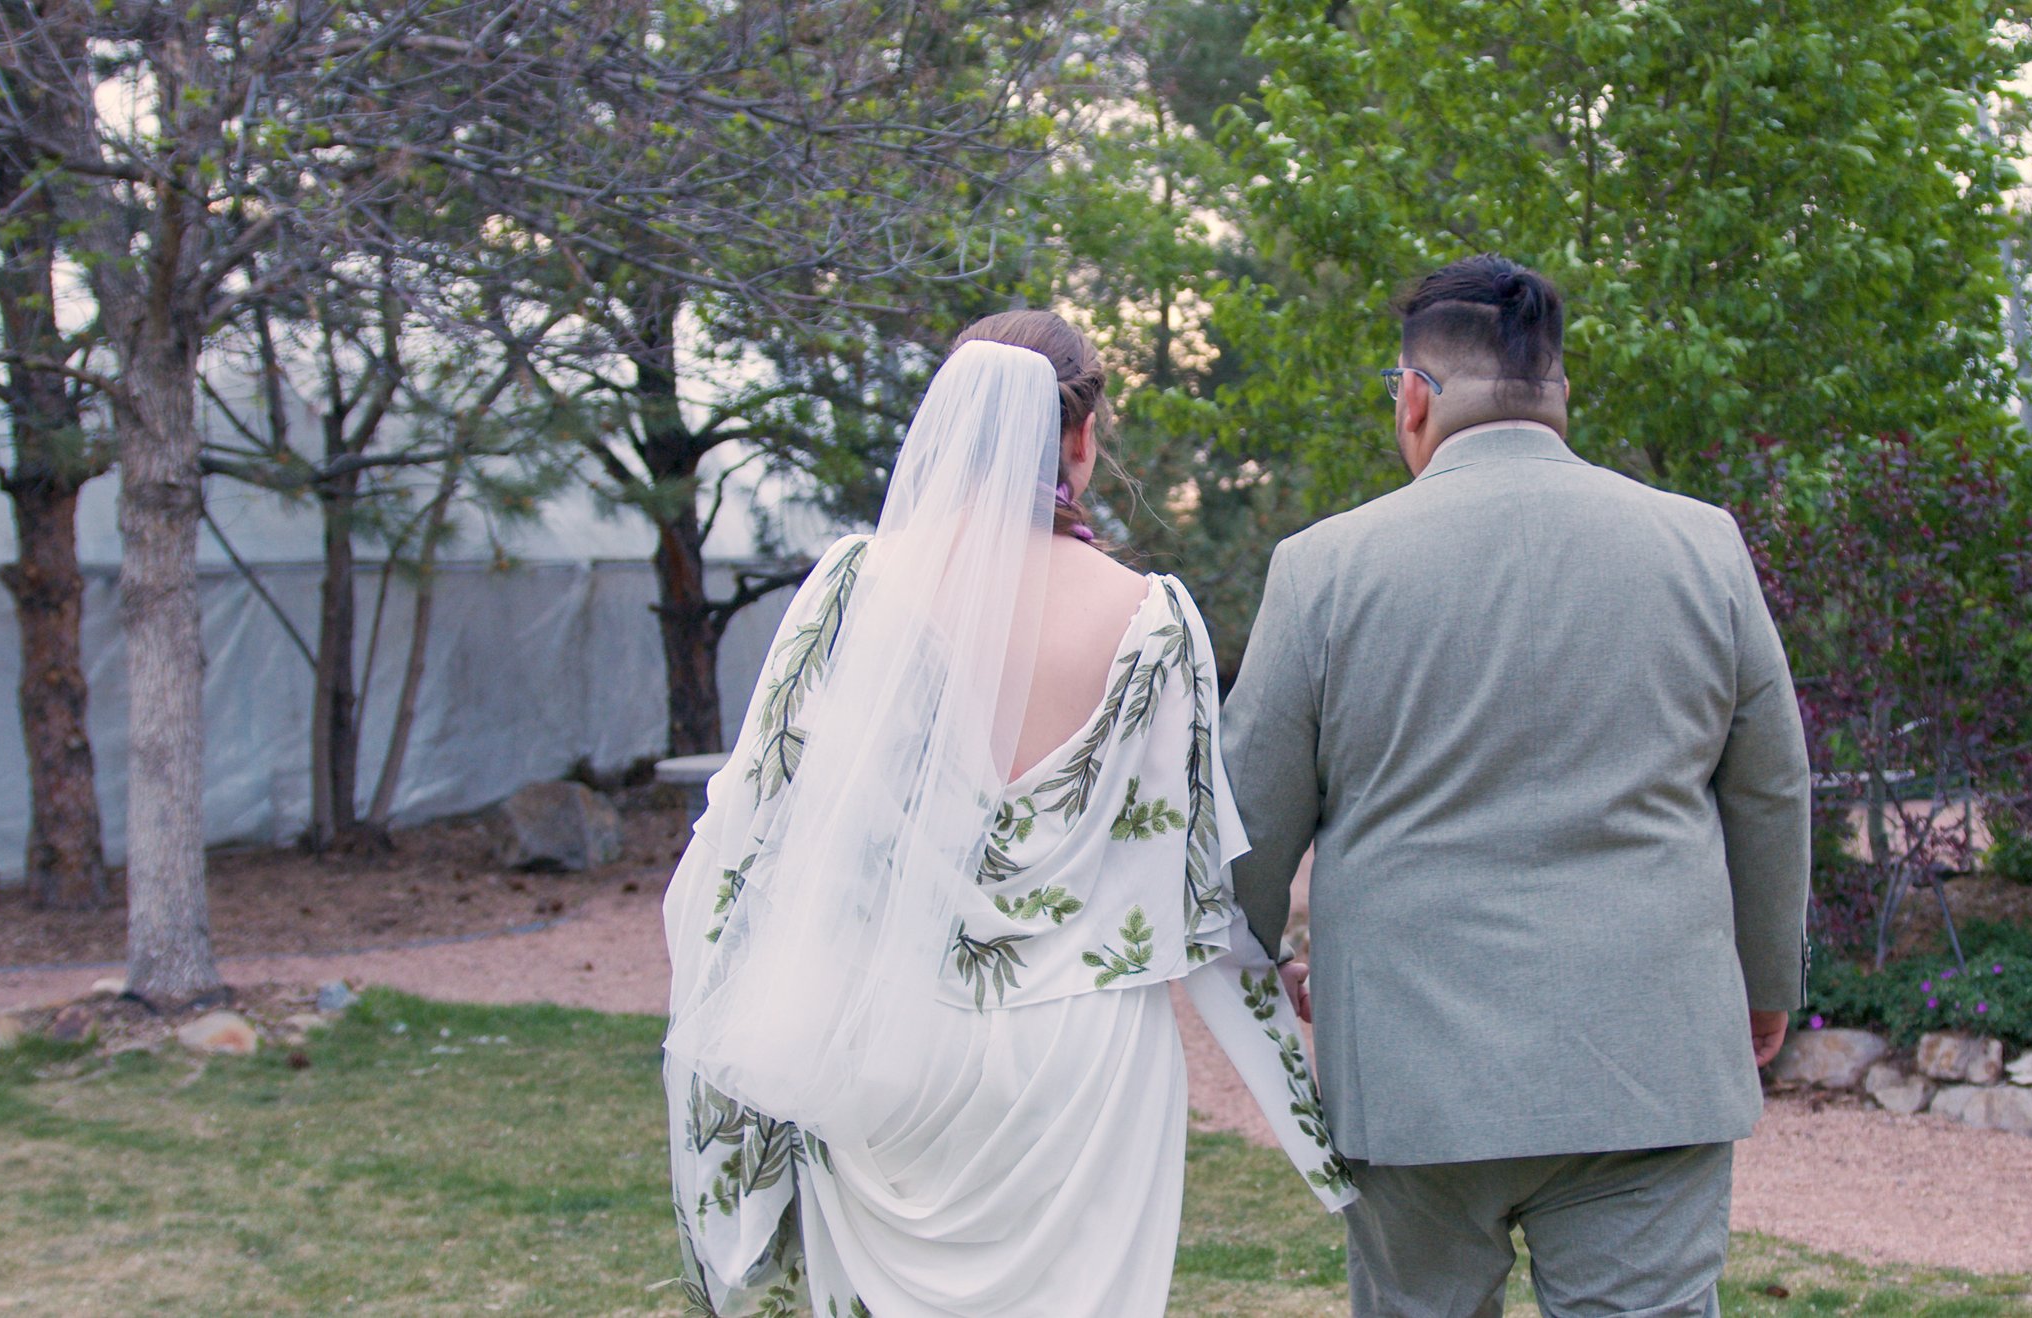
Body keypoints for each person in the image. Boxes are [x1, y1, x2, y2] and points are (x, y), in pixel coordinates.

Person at [662, 311, 1352, 1318]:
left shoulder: (854, 587)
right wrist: (1315, 1124)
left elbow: (748, 839)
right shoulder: (1153, 617)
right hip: (1085, 1060)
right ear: (1080, 437)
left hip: (889, 1037)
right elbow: (1199, 894)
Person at [1221, 255, 1811, 1318]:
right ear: (1559, 393)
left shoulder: (1323, 568)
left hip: (1411, 1073)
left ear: (1413, 395)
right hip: (1648, 1058)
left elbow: (1250, 821)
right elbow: (1770, 790)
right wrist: (1764, 980)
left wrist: (1259, 969)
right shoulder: (1700, 545)